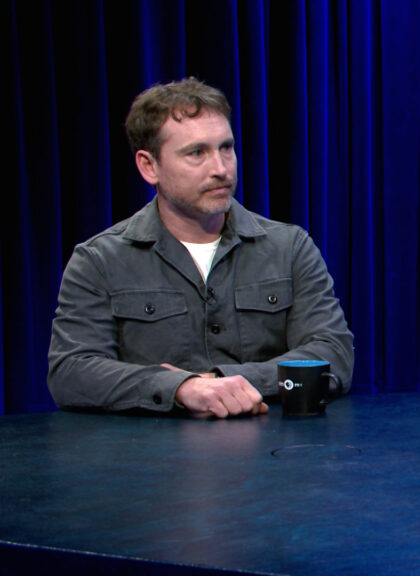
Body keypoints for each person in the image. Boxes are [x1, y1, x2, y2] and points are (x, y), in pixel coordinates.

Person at [48, 77, 354, 418]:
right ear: (149, 166)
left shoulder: (290, 248)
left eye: (226, 148)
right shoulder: (99, 260)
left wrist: (221, 383)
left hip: (273, 444)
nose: (221, 169)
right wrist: (180, 389)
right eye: (197, 153)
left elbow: (333, 353)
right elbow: (71, 372)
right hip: (152, 450)